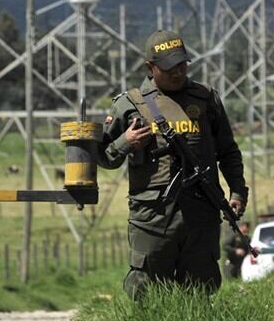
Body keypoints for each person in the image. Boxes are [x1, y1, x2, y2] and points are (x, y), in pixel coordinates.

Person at [97, 29, 249, 300]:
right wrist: (126, 141)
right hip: (152, 219)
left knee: (201, 290)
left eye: (182, 65)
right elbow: (104, 157)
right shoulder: (129, 104)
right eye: (169, 68)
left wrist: (237, 191)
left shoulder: (206, 100)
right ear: (150, 67)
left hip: (201, 215)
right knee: (146, 290)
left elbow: (228, 151)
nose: (178, 73)